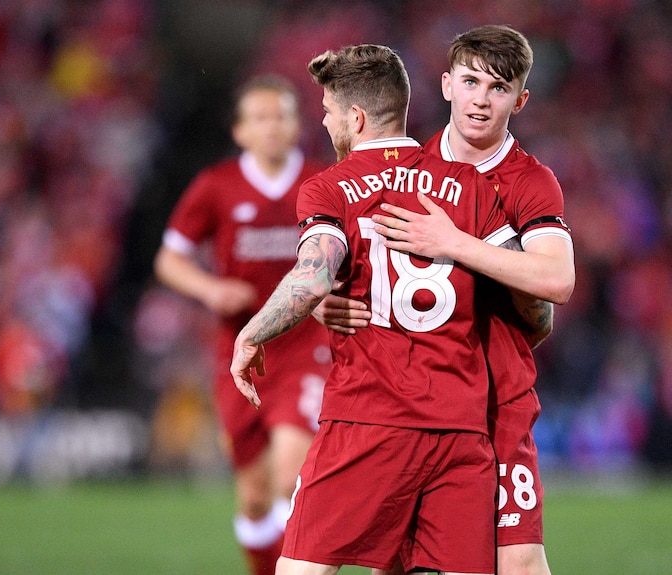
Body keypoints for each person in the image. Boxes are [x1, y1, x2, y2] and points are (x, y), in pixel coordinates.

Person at [231, 44, 517, 575]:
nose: (323, 121)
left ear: (355, 117)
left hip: (368, 417)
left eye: (328, 111)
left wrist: (253, 334)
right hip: (460, 427)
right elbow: (534, 309)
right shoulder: (471, 185)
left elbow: (315, 275)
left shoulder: (329, 186)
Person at [313, 25, 575, 575]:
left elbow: (556, 282)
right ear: (446, 84)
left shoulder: (528, 182)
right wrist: (324, 300)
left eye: (499, 88)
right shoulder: (410, 164)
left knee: (521, 563)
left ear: (520, 100)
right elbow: (353, 251)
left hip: (496, 404)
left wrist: (456, 244)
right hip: (410, 405)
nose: (481, 99)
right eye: (471, 81)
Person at [153, 75, 331, 575]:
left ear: (298, 124)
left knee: (288, 476)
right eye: (260, 117)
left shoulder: (321, 183)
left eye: (282, 115)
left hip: (303, 347)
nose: (272, 126)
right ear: (240, 131)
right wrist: (210, 289)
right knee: (253, 497)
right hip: (239, 351)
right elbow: (170, 260)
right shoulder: (217, 186)